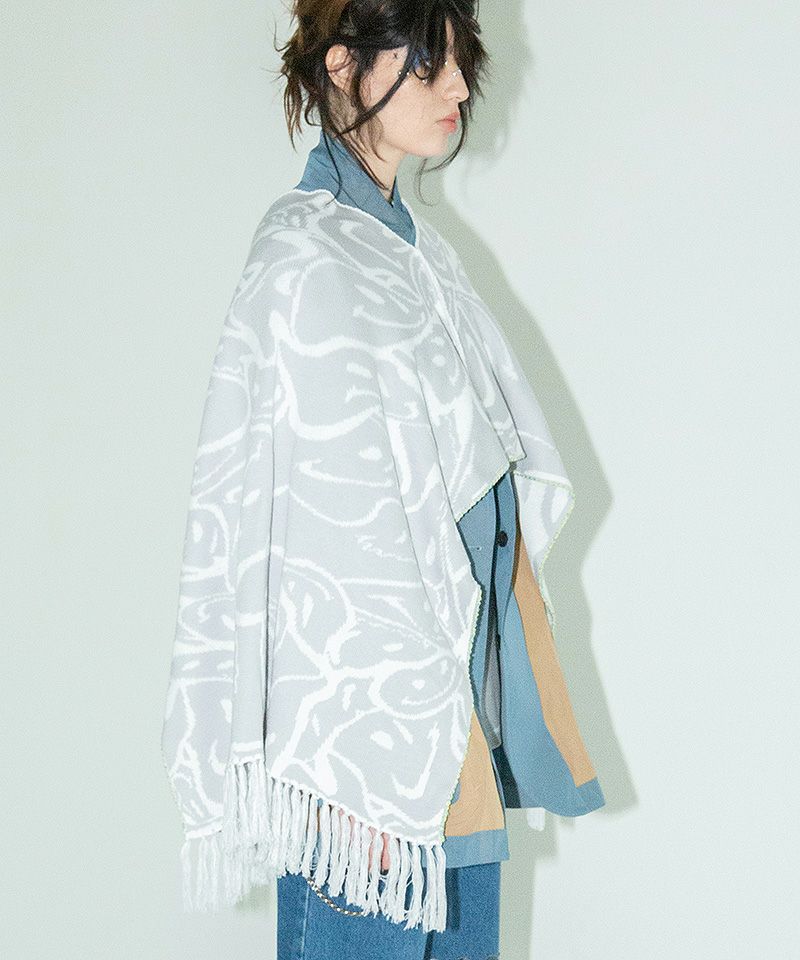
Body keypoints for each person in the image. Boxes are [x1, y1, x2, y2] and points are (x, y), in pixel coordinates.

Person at [161, 3, 605, 958]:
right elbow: (318, 533)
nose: (460, 86)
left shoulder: (418, 255)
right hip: (361, 758)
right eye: (430, 60)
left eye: (461, 61)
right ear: (343, 66)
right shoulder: (306, 253)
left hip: (449, 726)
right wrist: (354, 766)